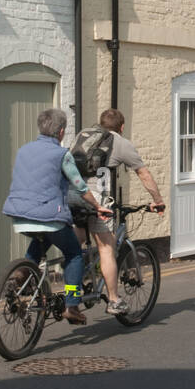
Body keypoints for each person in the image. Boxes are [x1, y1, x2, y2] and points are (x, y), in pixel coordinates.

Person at [2, 108, 111, 325]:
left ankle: (22, 273)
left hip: (19, 215)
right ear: (61, 132)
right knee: (74, 254)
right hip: (49, 216)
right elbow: (79, 186)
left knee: (41, 238)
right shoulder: (62, 154)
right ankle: (72, 303)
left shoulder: (23, 150)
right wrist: (98, 206)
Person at [67, 109, 165, 314]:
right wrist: (158, 200)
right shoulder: (120, 142)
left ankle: (71, 292)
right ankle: (113, 300)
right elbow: (143, 174)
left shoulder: (83, 135)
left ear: (100, 123)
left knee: (75, 246)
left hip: (73, 195)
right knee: (106, 248)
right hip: (97, 201)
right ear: (121, 127)